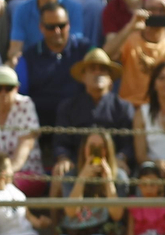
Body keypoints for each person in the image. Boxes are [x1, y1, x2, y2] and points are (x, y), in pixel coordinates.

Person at [51, 47, 136, 183]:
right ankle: (62, 205)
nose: (97, 73)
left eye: (102, 70)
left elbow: (129, 143)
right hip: (77, 164)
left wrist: (121, 158)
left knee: (121, 177)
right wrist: (63, 158)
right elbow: (61, 141)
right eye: (92, 69)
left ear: (110, 79)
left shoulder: (123, 107)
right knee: (60, 174)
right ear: (83, 77)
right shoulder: (68, 107)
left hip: (112, 165)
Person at [16, 2, 93, 133]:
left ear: (69, 25)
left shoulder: (85, 50)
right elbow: (19, 94)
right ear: (41, 27)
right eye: (50, 27)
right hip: (40, 128)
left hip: (80, 126)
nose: (57, 31)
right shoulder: (29, 57)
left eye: (61, 26)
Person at [0, 64, 46, 195]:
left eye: (9, 88)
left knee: (10, 187)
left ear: (17, 88)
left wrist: (4, 176)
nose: (3, 93)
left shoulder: (26, 105)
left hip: (24, 171)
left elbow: (24, 148)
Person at [50, 129, 128, 235]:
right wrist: (82, 178)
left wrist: (108, 181)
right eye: (92, 147)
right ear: (84, 150)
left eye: (101, 147)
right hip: (74, 233)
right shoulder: (71, 176)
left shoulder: (119, 176)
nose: (96, 151)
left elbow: (117, 215)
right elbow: (71, 212)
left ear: (108, 150)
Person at [8, 0, 88, 65]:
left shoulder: (74, 8)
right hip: (32, 63)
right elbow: (15, 48)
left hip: (66, 61)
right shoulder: (21, 10)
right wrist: (15, 60)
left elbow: (75, 45)